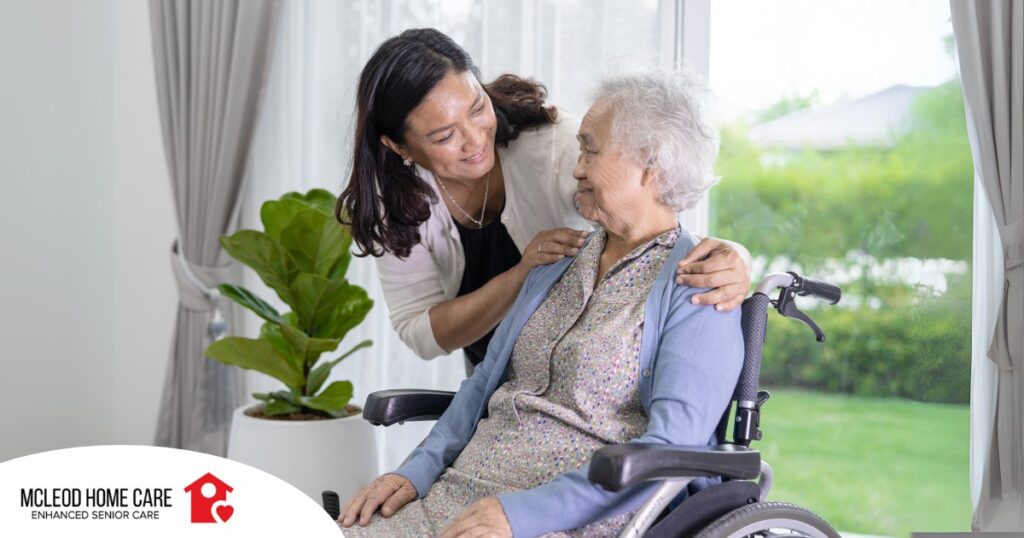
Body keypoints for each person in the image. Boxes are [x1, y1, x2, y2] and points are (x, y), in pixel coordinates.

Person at [339, 67, 744, 537]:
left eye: (590, 149)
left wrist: (521, 515)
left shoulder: (700, 285)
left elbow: (672, 445)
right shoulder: (556, 260)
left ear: (650, 167)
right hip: (460, 495)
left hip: (568, 518)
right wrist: (413, 472)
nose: (576, 166)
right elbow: (482, 385)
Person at [335, 28, 751, 371]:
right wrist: (522, 275)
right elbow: (421, 333)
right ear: (398, 147)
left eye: (478, 108)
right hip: (500, 387)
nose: (476, 138)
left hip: (581, 374)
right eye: (445, 136)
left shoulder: (557, 148)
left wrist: (732, 257)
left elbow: (656, 217)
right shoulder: (395, 203)